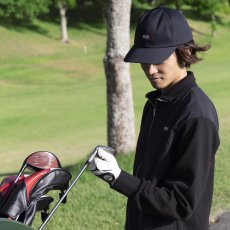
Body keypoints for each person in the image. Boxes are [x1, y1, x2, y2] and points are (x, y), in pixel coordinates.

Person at [90, 6, 220, 230]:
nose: (150, 70)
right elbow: (150, 183)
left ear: (184, 52)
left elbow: (181, 202)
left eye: (158, 59)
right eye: (144, 60)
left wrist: (118, 177)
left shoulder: (197, 116)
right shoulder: (157, 104)